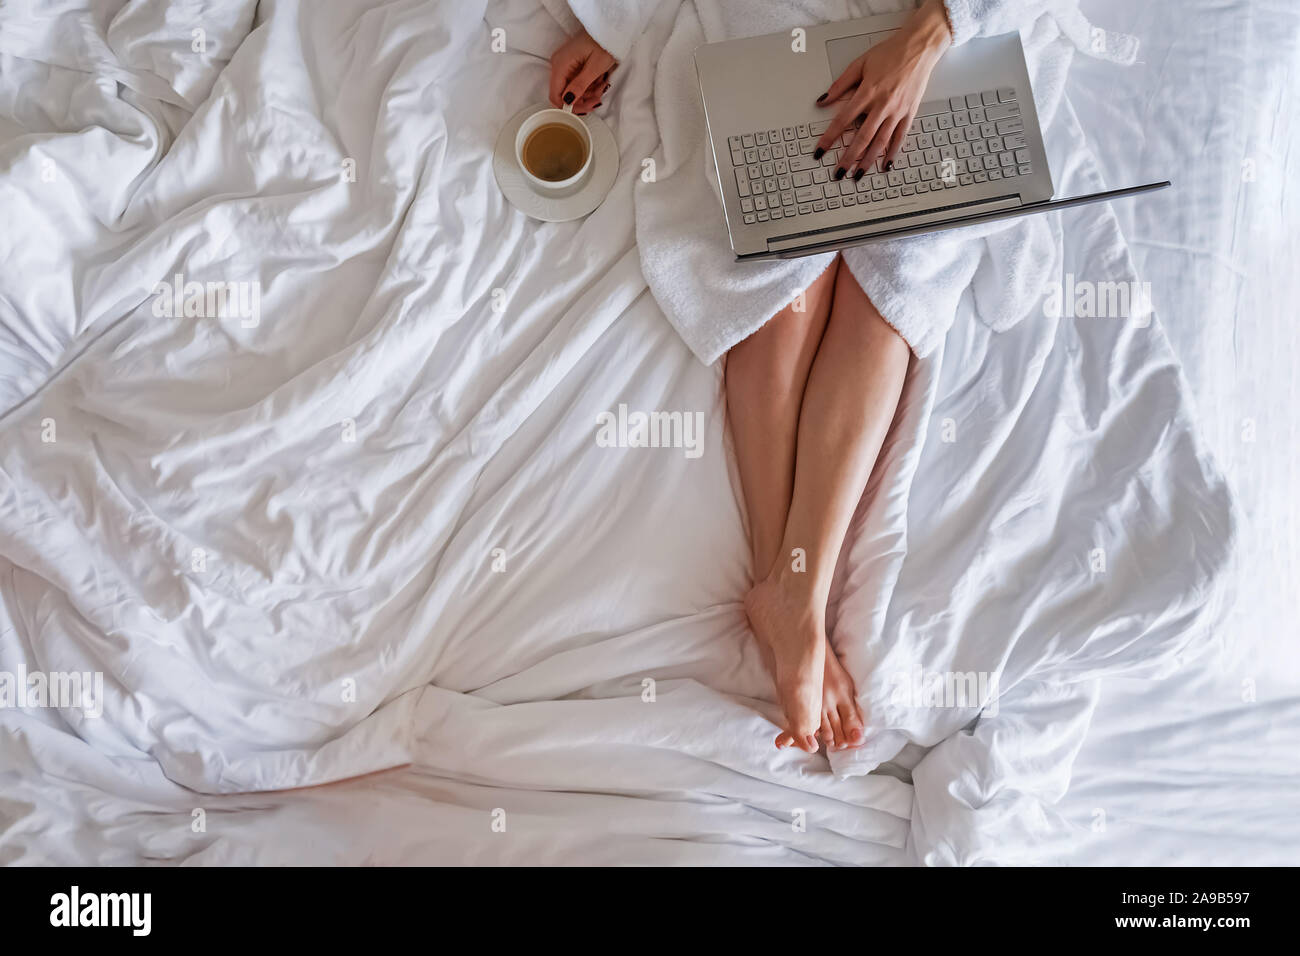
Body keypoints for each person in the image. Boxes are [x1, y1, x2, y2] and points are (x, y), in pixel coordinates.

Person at [548, 0, 1027, 754]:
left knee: (898, 268)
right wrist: (620, 20)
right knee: (778, 249)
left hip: (940, 27)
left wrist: (932, 31)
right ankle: (790, 593)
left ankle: (792, 592)